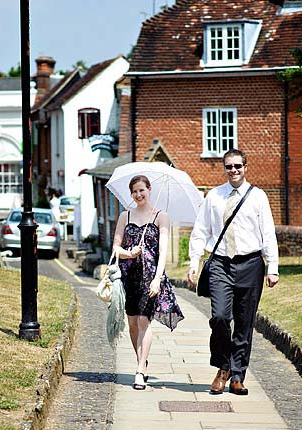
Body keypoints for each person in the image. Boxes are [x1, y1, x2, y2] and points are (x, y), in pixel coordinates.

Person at [186, 149, 279, 395]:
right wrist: (194, 261)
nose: (234, 170)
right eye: (229, 167)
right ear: (224, 168)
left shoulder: (258, 197)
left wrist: (273, 267)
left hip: (250, 264)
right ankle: (222, 367)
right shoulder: (214, 196)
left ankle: (238, 375)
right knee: (219, 317)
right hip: (220, 263)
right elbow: (200, 230)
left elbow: (268, 233)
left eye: (238, 166)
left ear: (245, 167)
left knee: (244, 323)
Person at [113, 175, 184, 390]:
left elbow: (163, 252)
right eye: (134, 191)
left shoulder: (161, 217)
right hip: (128, 278)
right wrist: (128, 252)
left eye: (142, 190)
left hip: (150, 277)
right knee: (133, 325)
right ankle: (141, 360)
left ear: (149, 189)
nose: (138, 195)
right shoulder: (125, 216)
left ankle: (139, 371)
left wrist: (157, 280)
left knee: (144, 322)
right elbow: (115, 248)